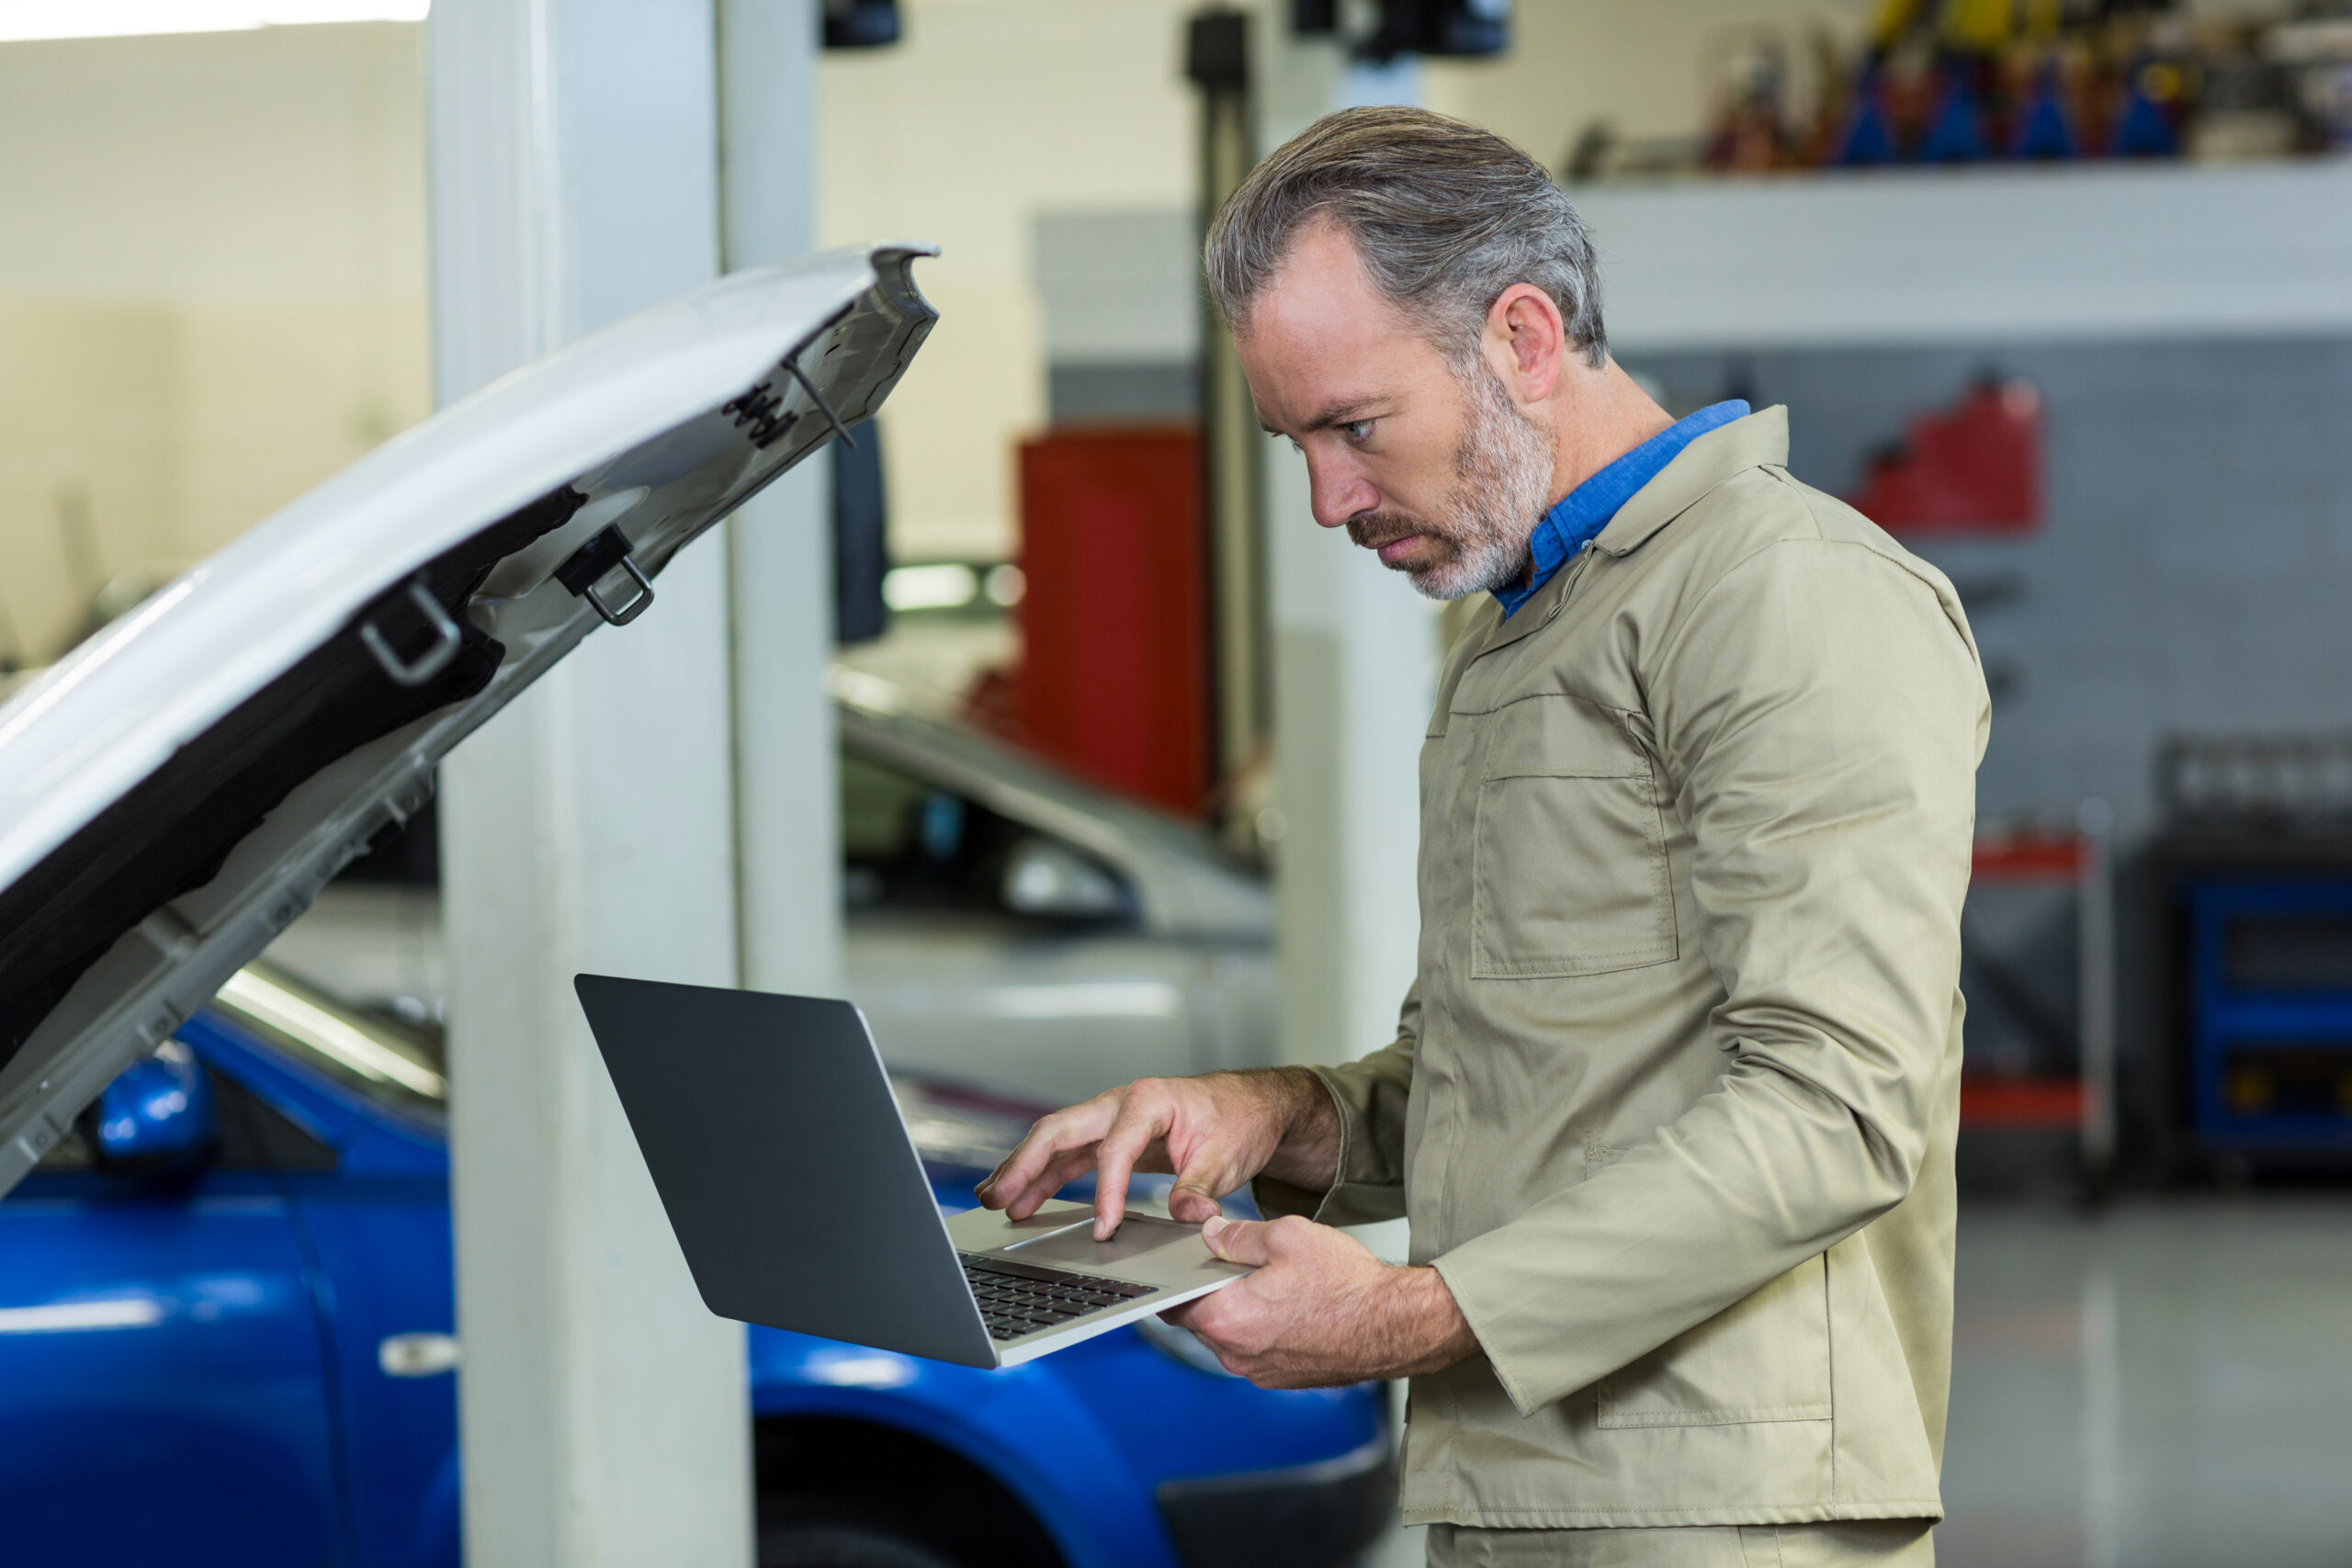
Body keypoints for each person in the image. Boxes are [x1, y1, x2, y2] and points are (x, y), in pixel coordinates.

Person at [978, 106, 1987, 1567]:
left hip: (1718, 1512)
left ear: (1521, 338)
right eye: (1294, 442)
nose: (1327, 499)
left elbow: (1838, 1108)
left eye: (1354, 427)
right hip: (1519, 1484)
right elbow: (1500, 1081)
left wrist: (1403, 1314)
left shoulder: (1787, 597)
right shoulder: (1527, 629)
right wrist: (1265, 1113)